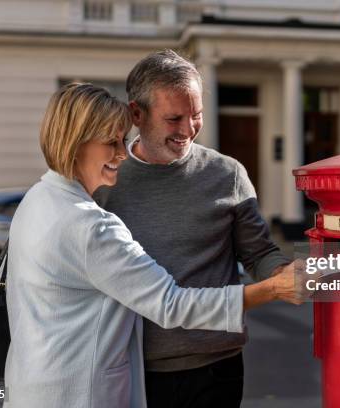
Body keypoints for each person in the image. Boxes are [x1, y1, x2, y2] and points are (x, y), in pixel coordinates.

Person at [3, 83, 302, 408]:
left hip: (31, 385)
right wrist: (272, 289)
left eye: (122, 138)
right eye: (111, 142)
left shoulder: (36, 199)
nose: (121, 152)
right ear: (76, 143)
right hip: (80, 393)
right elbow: (171, 304)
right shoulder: (91, 226)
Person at [93, 49, 298, 408]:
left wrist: (283, 274)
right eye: (174, 118)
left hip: (216, 367)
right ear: (137, 114)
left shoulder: (227, 174)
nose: (188, 130)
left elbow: (259, 252)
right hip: (132, 367)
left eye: (197, 115)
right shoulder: (104, 178)